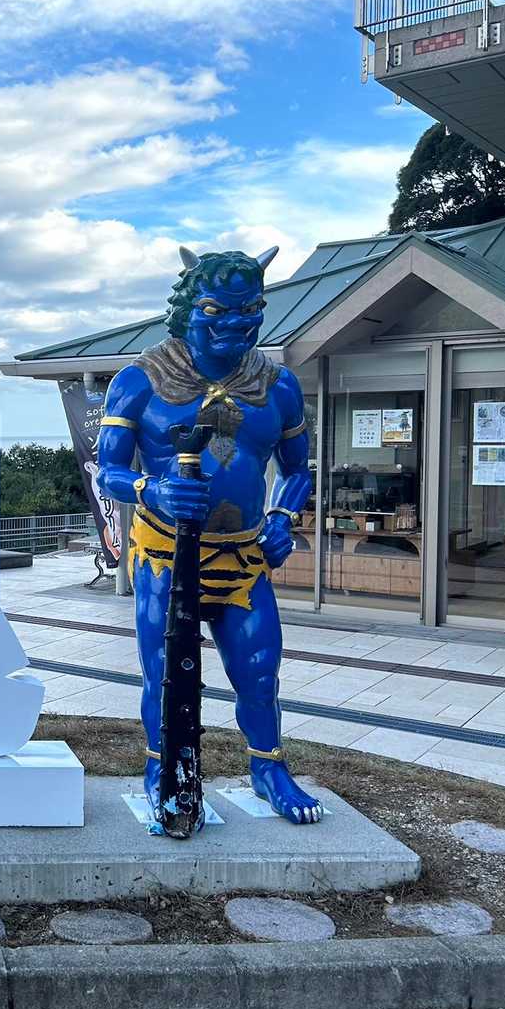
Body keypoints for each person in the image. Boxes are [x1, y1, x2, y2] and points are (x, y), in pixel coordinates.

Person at [95, 245, 323, 826]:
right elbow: (109, 469)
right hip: (165, 553)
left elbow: (298, 469)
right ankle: (163, 769)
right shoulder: (139, 381)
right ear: (187, 309)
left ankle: (268, 768)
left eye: (250, 310)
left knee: (260, 670)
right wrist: (152, 489)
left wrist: (281, 518)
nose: (235, 324)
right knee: (165, 671)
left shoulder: (278, 386)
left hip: (244, 553)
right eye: (217, 310)